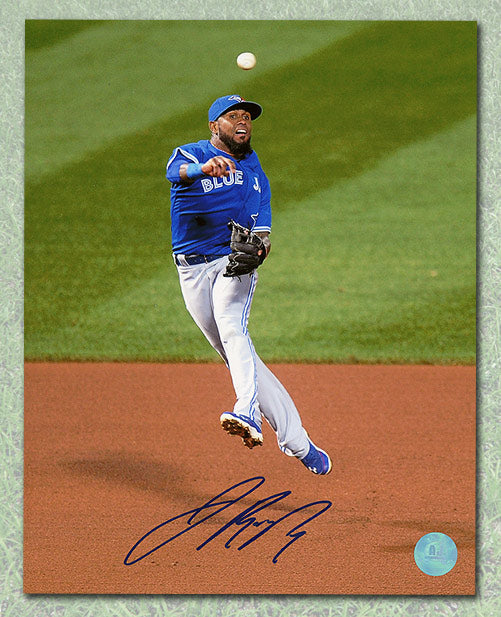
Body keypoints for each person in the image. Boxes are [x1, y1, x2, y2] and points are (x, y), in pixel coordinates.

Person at [165, 94, 331, 474]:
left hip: (230, 264)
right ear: (214, 126)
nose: (242, 121)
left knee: (232, 327)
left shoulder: (256, 173)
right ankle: (299, 443)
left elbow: (263, 234)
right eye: (233, 116)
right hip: (190, 272)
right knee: (239, 356)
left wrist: (259, 251)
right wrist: (205, 169)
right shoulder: (192, 154)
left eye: (247, 116)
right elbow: (175, 173)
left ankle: (247, 412)